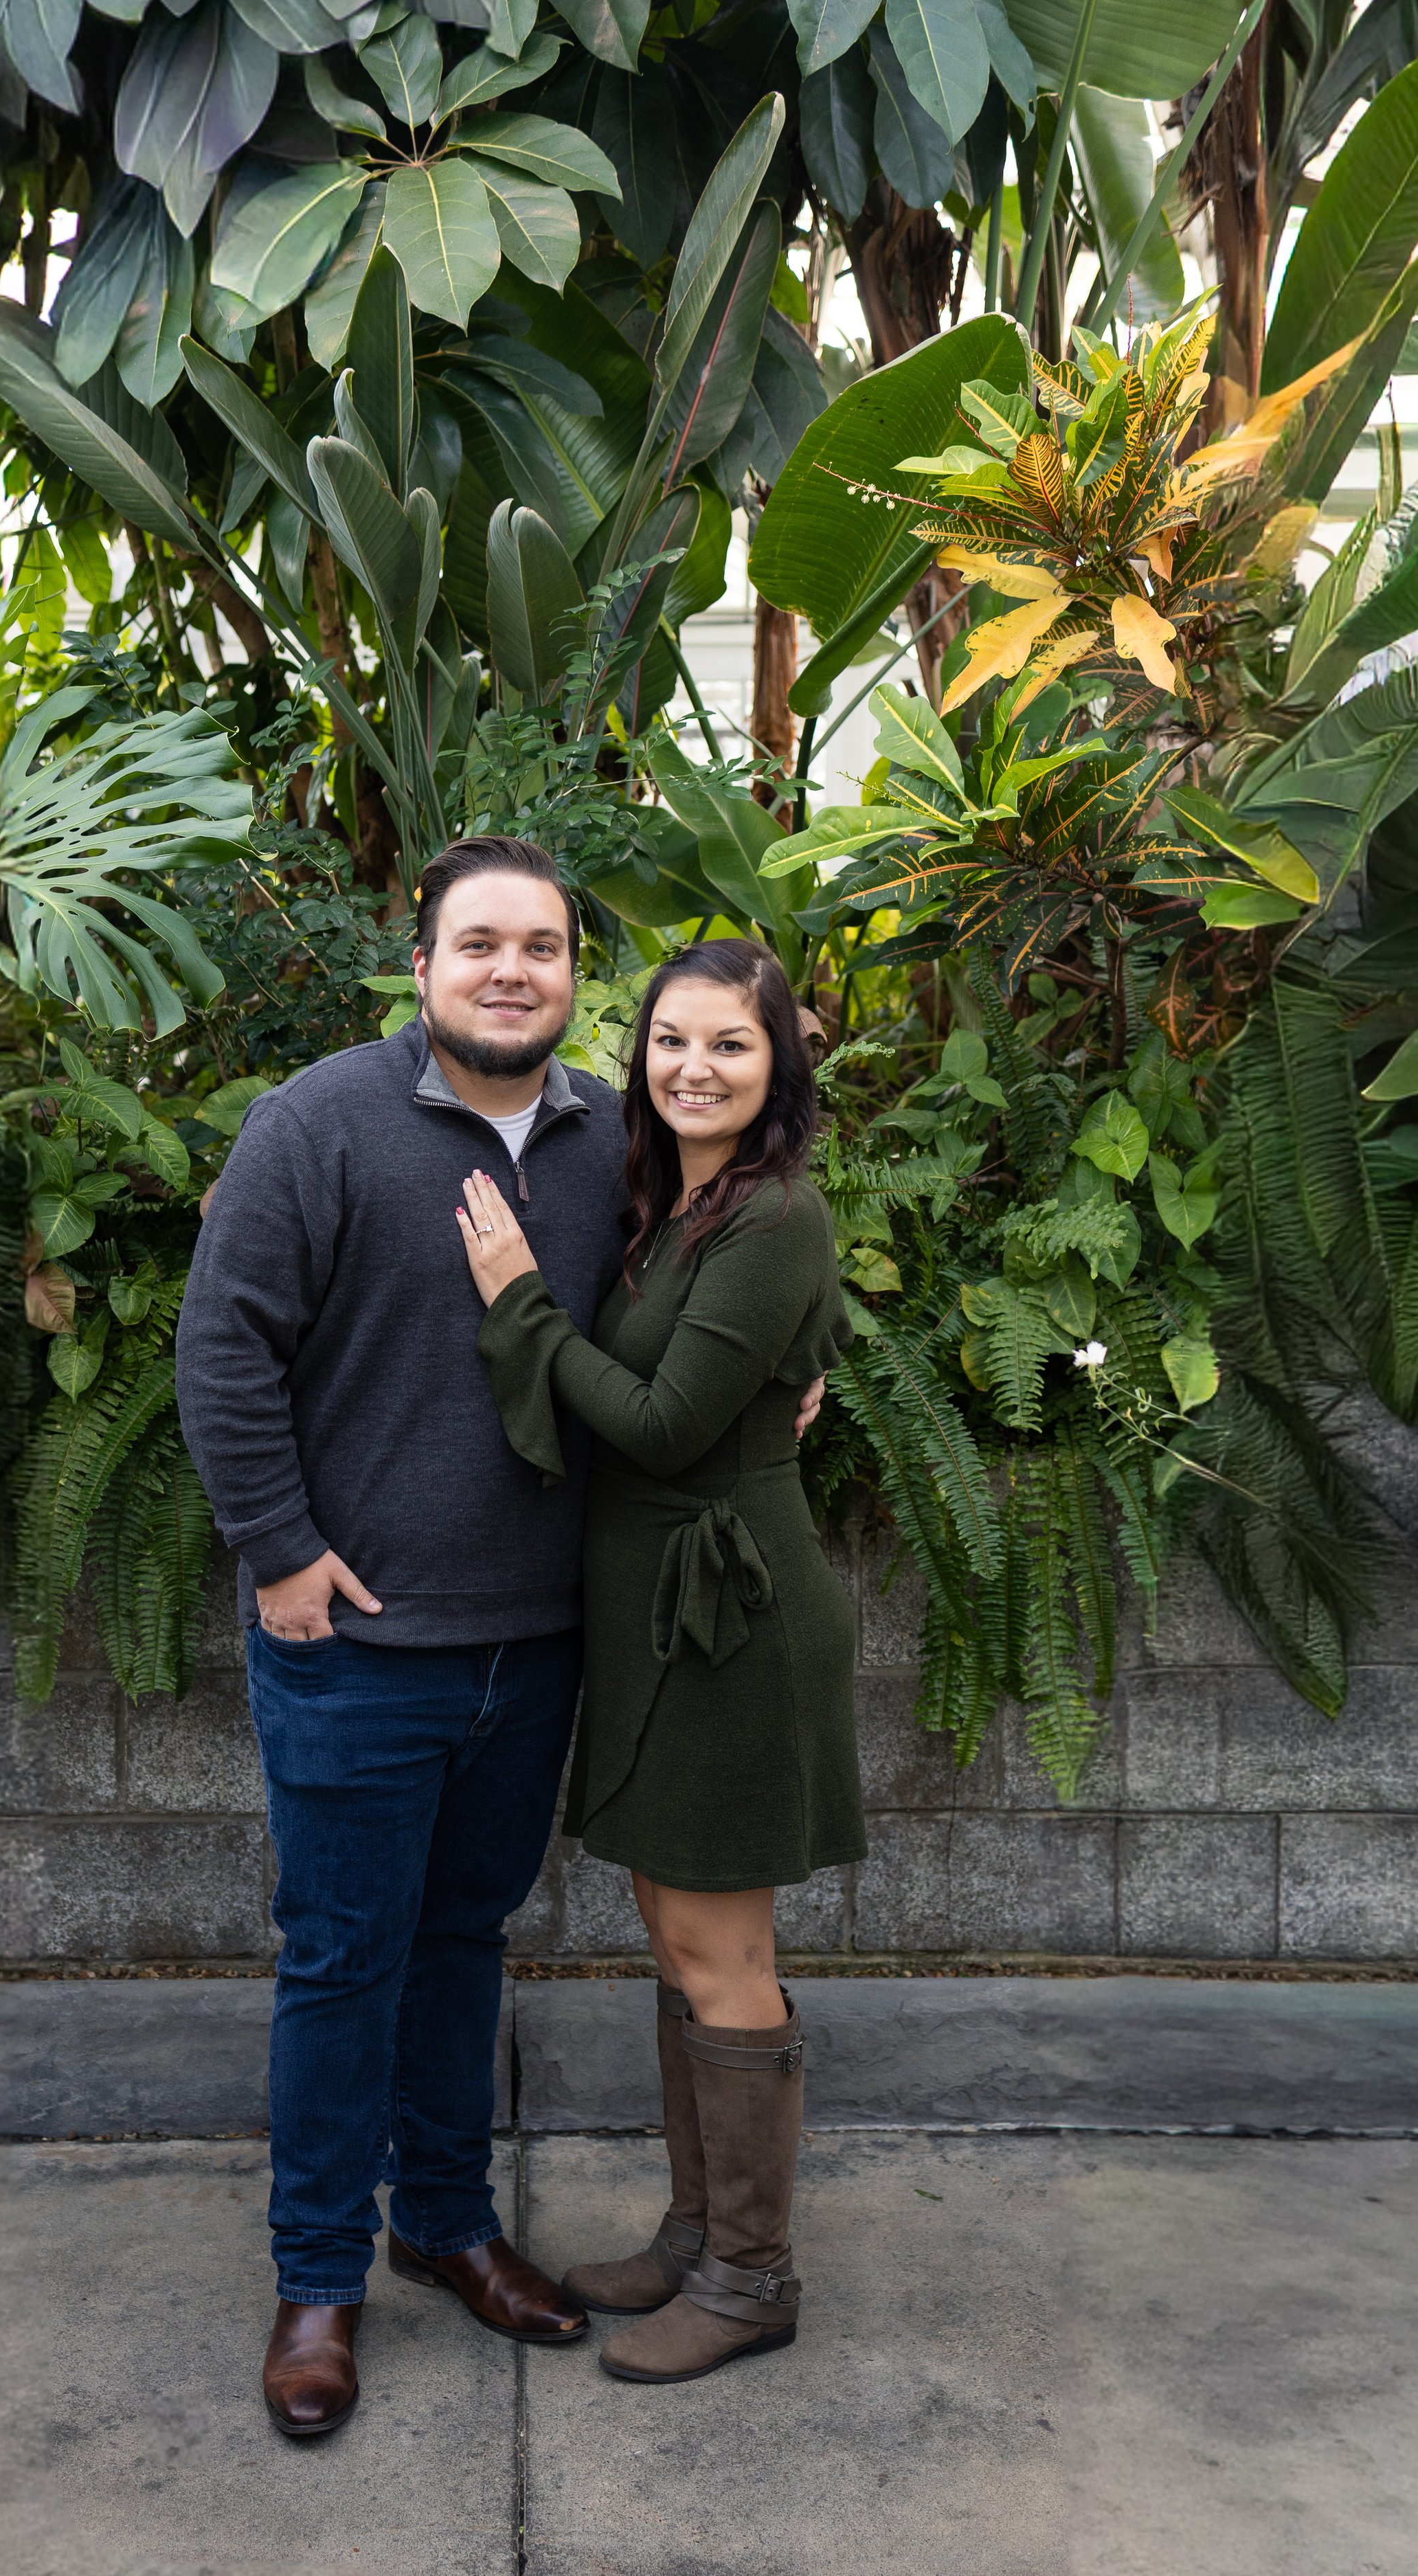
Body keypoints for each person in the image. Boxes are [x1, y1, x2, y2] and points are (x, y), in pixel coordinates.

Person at [176, 836, 627, 2437]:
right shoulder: (316, 1124)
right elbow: (220, 1352)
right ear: (420, 964)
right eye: (479, 943)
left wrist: (796, 1364)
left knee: (463, 1948)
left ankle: (443, 2222)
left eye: (545, 947)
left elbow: (709, 1293)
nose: (513, 970)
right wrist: (280, 1555)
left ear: (576, 973)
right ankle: (316, 2282)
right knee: (344, 1959)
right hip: (356, 1650)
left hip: (536, 1640)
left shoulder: (609, 1140)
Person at [454, 936, 866, 2386]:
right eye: (671, 1041)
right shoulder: (677, 1200)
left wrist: (517, 1298)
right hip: (657, 1615)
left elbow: (655, 1424)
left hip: (728, 1624)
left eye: (730, 1048)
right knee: (674, 1938)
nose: (694, 1067)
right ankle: (698, 2239)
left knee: (721, 1948)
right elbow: (713, 1381)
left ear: (777, 1070)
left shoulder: (772, 1219)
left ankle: (751, 2278)